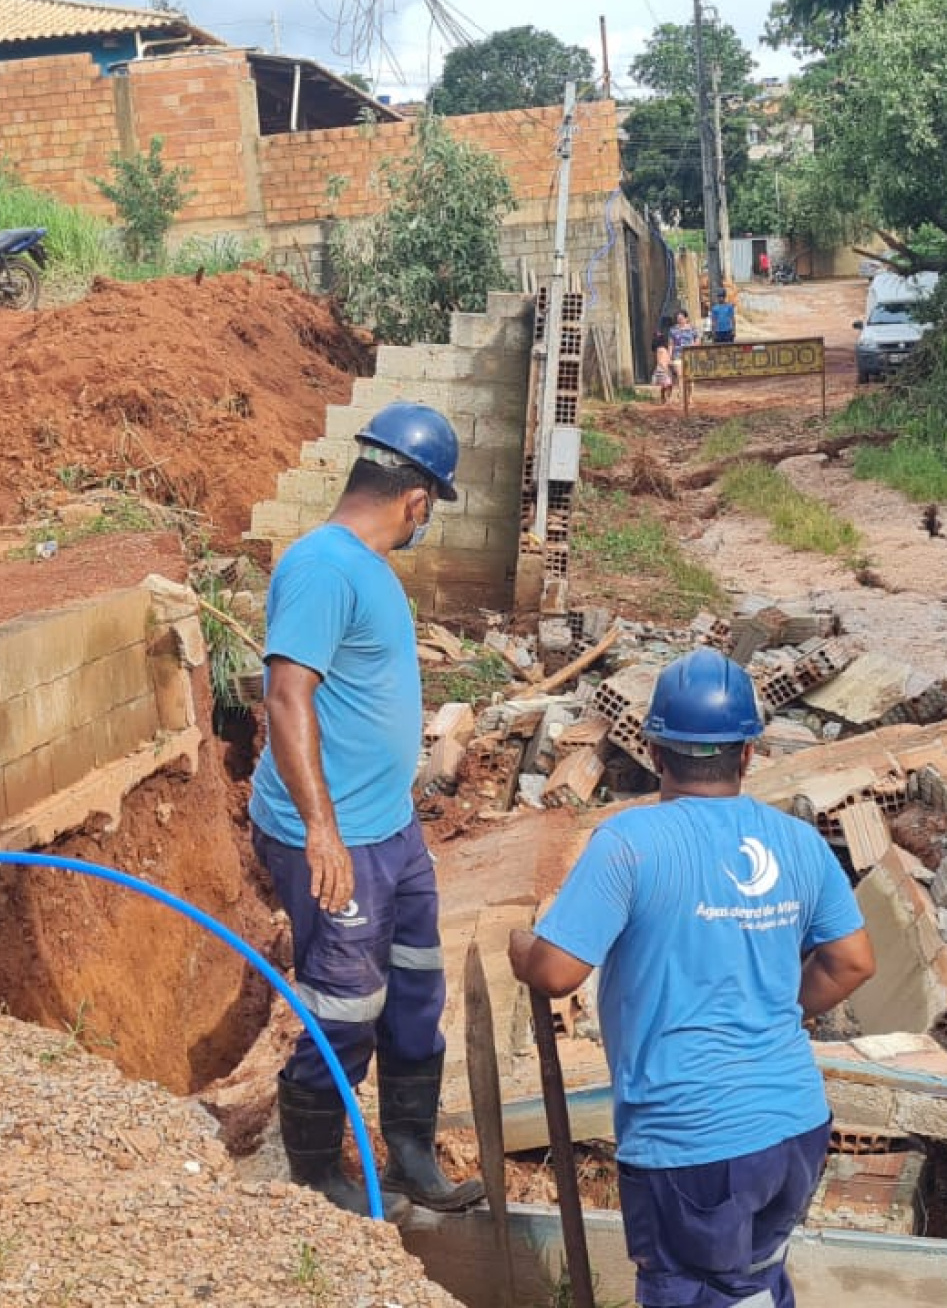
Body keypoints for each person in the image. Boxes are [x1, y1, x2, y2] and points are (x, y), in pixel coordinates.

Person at [509, 648, 875, 1308]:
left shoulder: (629, 842)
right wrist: (776, 1011)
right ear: (748, 754)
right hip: (794, 1126)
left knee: (693, 1293)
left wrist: (522, 950)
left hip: (692, 1142)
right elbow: (852, 962)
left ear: (652, 749)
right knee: (753, 1282)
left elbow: (558, 971)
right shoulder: (796, 841)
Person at [250, 401, 485, 1223]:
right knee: (345, 1003)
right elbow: (286, 696)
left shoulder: (367, 568)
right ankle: (314, 1174)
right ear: (416, 499)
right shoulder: (321, 567)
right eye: (432, 509)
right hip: (333, 835)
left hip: (390, 829)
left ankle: (411, 1150)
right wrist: (321, 827)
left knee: (416, 986)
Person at [668, 309, 699, 383]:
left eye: (681, 319)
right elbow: (671, 344)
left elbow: (697, 341)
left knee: (689, 376)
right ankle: (681, 392)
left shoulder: (692, 329)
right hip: (677, 355)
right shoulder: (673, 330)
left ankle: (689, 392)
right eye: (678, 319)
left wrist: (692, 346)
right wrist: (669, 357)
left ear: (686, 318)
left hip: (690, 355)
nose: (680, 320)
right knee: (680, 374)